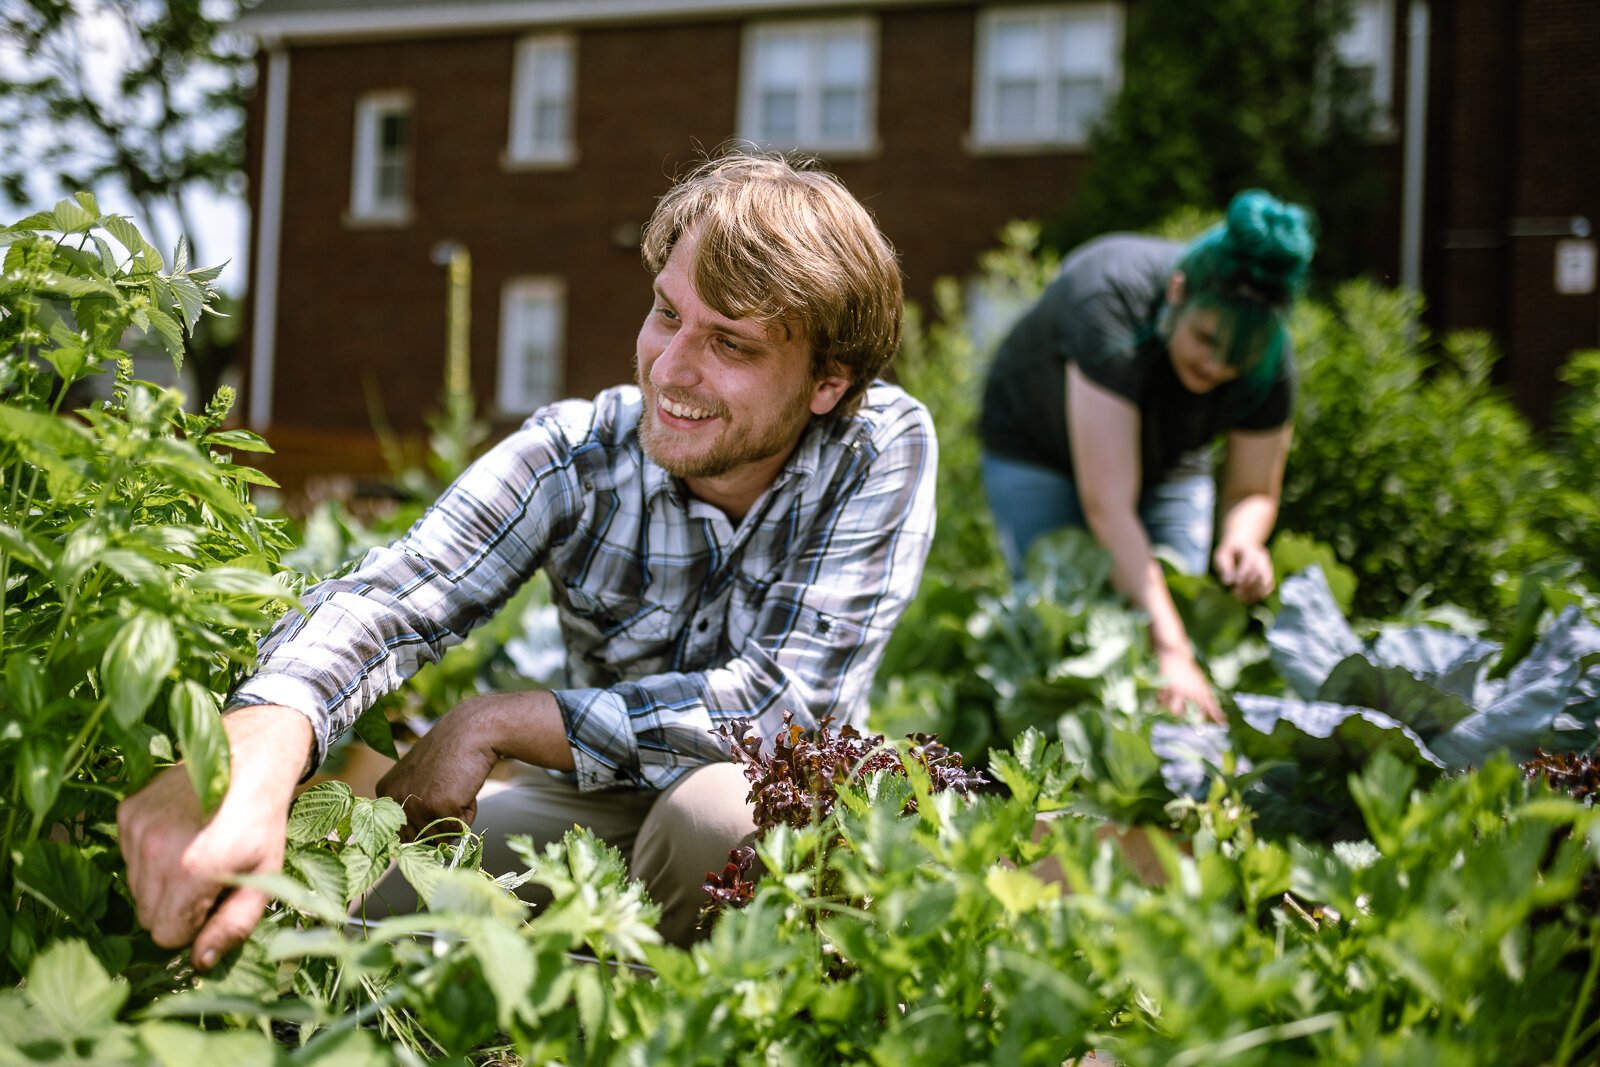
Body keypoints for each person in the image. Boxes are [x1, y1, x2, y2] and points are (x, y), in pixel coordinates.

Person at [117, 151, 936, 966]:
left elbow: (775, 710)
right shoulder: (578, 452)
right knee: (329, 903)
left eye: (731, 344)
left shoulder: (878, 448)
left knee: (722, 824)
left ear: (827, 381)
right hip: (600, 798)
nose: (671, 368)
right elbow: (401, 591)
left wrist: (498, 719)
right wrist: (265, 731)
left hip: (777, 804)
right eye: (666, 313)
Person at [978, 189, 1315, 722]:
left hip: (1171, 461)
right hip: (1036, 447)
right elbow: (1108, 504)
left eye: (1239, 357)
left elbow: (1253, 490)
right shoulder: (1108, 299)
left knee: (1174, 603)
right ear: (1178, 292)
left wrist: (1243, 541)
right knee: (1061, 618)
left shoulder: (1268, 355)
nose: (1218, 367)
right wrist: (1172, 651)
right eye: (1206, 338)